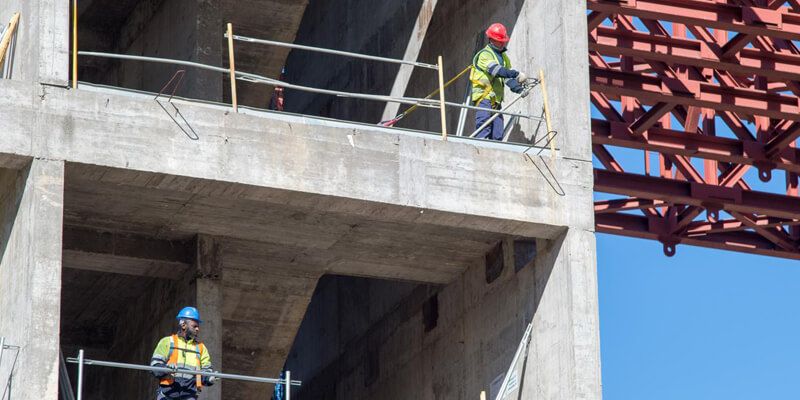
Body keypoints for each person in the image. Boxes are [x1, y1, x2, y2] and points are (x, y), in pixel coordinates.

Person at [470, 23, 526, 140]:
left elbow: (506, 78)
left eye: (503, 41)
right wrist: (516, 74)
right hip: (484, 97)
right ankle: (481, 147)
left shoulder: (504, 57)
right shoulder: (484, 55)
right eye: (499, 41)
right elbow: (496, 70)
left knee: (498, 132)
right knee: (484, 126)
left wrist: (519, 89)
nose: (502, 43)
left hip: (496, 100)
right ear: (491, 40)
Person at [150, 307, 215, 400]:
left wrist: (209, 378)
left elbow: (206, 370)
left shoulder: (201, 348)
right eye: (194, 326)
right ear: (183, 325)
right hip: (168, 393)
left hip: (189, 394)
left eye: (198, 326)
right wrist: (166, 369)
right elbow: (154, 367)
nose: (197, 329)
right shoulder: (167, 342)